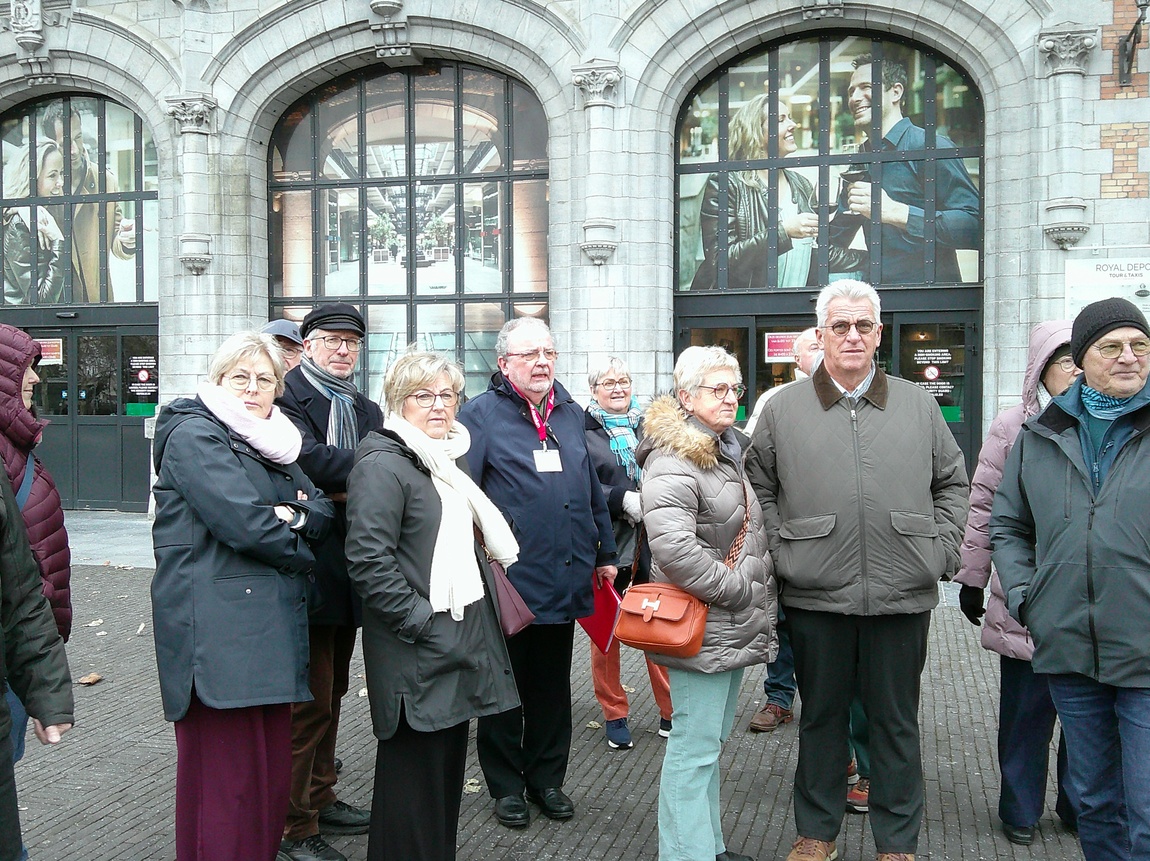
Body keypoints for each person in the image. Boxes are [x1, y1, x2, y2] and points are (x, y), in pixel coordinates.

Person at [745, 280, 968, 861]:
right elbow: (758, 487)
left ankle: (897, 842)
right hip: (816, 593)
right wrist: (784, 551)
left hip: (903, 591)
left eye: (863, 325)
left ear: (878, 334)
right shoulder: (783, 409)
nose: (852, 336)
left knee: (896, 723)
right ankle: (816, 834)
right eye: (840, 326)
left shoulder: (918, 405)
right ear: (820, 335)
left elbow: (952, 482)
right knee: (821, 719)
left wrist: (941, 551)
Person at [150, 331, 333, 861]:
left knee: (264, 786)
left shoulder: (272, 439)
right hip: (220, 639)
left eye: (265, 380)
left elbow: (321, 508)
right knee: (225, 791)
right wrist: (299, 538)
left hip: (267, 634)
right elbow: (246, 524)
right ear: (218, 380)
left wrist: (292, 514)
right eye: (240, 378)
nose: (253, 389)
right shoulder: (194, 435)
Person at [991, 297, 1150, 861]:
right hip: (1069, 649)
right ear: (1082, 359)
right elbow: (1008, 524)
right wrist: (1029, 598)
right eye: (1112, 346)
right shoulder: (1041, 433)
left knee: (1146, 808)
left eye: (1140, 345)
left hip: (1145, 652)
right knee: (1094, 801)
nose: (1129, 356)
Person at [345, 350, 520, 861]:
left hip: (454, 640)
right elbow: (368, 562)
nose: (439, 405)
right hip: (416, 646)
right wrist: (423, 623)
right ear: (398, 401)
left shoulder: (443, 459)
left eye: (448, 394)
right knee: (411, 788)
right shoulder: (383, 465)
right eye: (423, 395)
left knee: (440, 786)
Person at [455, 317, 617, 828]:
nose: (542, 362)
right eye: (530, 354)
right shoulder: (479, 416)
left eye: (548, 352)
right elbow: (465, 495)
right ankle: (506, 786)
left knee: (551, 687)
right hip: (509, 580)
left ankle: (547, 780)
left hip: (565, 572)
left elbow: (591, 488)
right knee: (505, 688)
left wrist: (606, 552)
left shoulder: (569, 412)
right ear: (504, 363)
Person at [637, 345, 775, 861]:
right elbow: (673, 549)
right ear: (686, 396)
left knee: (708, 745)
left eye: (734, 388)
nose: (730, 397)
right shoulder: (674, 458)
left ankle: (707, 846)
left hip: (726, 624)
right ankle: (683, 853)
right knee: (693, 748)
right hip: (703, 623)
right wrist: (737, 591)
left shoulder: (725, 449)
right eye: (717, 389)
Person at [953, 321, 1080, 845]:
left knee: (1086, 717)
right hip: (1028, 594)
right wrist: (972, 576)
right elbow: (984, 505)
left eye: (1081, 358)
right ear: (1040, 369)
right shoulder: (1013, 426)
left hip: (1092, 602)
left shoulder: (1117, 421)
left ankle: (1079, 805)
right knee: (1026, 715)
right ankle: (1020, 809)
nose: (1076, 370)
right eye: (1065, 360)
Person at [276, 303, 380, 861]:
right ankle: (293, 827)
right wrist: (351, 477)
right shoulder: (286, 397)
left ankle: (320, 795)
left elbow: (381, 469)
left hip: (351, 568)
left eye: (351, 342)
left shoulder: (366, 407)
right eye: (332, 340)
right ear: (308, 344)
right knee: (309, 702)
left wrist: (342, 482)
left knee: (334, 692)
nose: (343, 350)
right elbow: (306, 462)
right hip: (305, 568)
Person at [0, 324, 73, 861]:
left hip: (17, 653)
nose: (34, 380)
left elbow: (21, 586)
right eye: (26, 369)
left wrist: (46, 690)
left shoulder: (15, 446)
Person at [583, 357, 673, 750]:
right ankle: (614, 712)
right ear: (594, 390)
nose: (618, 388)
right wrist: (622, 498)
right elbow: (581, 484)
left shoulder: (649, 426)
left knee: (659, 627)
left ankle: (670, 709)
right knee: (607, 633)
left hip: (652, 543)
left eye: (624, 380)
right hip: (607, 546)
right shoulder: (582, 431)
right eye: (608, 382)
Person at [830, 55, 980, 286]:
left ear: (896, 92)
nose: (855, 98)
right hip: (876, 298)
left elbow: (975, 227)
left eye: (866, 87)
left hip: (931, 298)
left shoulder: (932, 147)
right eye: (851, 91)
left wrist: (897, 213)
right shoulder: (859, 162)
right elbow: (833, 241)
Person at [691, 96, 865, 291]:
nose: (793, 125)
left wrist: (875, 259)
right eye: (780, 120)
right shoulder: (727, 183)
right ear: (755, 133)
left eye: (790, 117)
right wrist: (784, 232)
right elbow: (719, 262)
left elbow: (818, 253)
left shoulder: (801, 184)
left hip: (793, 303)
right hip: (746, 306)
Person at [745, 327, 818, 730]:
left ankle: (826, 704)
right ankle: (778, 698)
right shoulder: (774, 401)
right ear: (796, 358)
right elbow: (755, 464)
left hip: (834, 540)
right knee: (781, 619)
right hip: (785, 531)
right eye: (812, 346)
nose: (820, 352)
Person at [39, 101, 137, 304]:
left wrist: (127, 239)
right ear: (50, 144)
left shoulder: (105, 180)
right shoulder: (40, 180)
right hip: (52, 302)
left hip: (95, 301)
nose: (74, 149)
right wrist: (23, 209)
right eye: (65, 143)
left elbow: (117, 243)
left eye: (78, 137)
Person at [2, 142, 66, 305]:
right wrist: (59, 242)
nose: (61, 182)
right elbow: (41, 301)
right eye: (52, 175)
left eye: (61, 173)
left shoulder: (50, 209)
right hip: (28, 321)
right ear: (32, 178)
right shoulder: (21, 224)